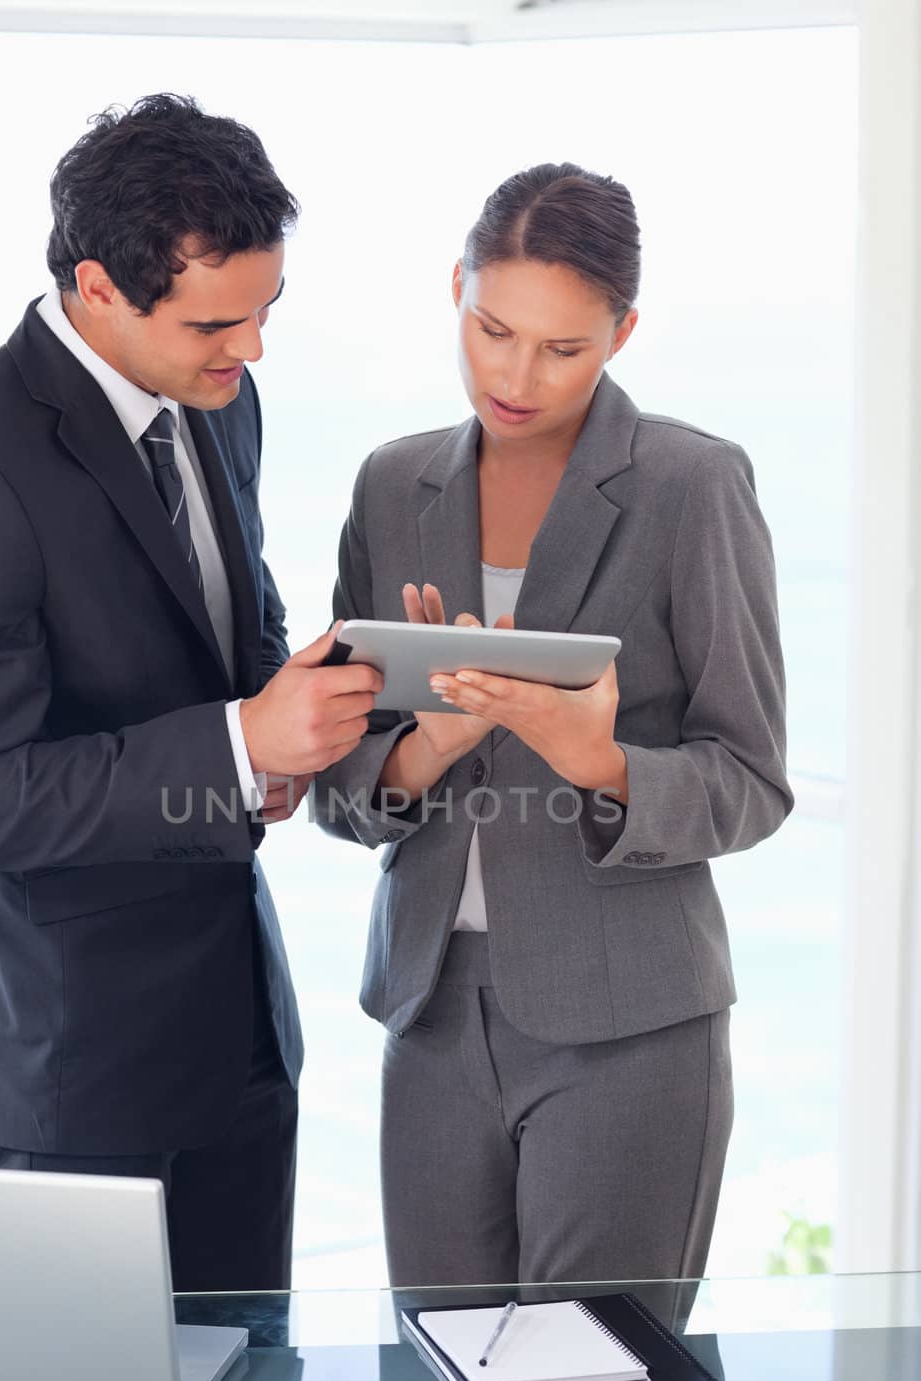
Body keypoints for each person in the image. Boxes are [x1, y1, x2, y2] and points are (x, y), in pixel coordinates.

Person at [0, 93, 381, 1291]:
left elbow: (234, 622)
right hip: (70, 1085)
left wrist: (301, 716)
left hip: (242, 1049)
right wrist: (236, 744)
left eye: (265, 312)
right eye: (214, 321)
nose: (249, 351)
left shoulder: (218, 398)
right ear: (97, 287)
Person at [315, 162, 792, 1289]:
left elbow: (752, 778)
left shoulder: (692, 484)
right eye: (491, 329)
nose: (515, 374)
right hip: (429, 1016)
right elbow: (340, 785)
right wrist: (423, 741)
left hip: (628, 1024)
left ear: (622, 332)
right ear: (456, 291)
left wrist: (597, 760)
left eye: (562, 349)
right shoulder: (390, 487)